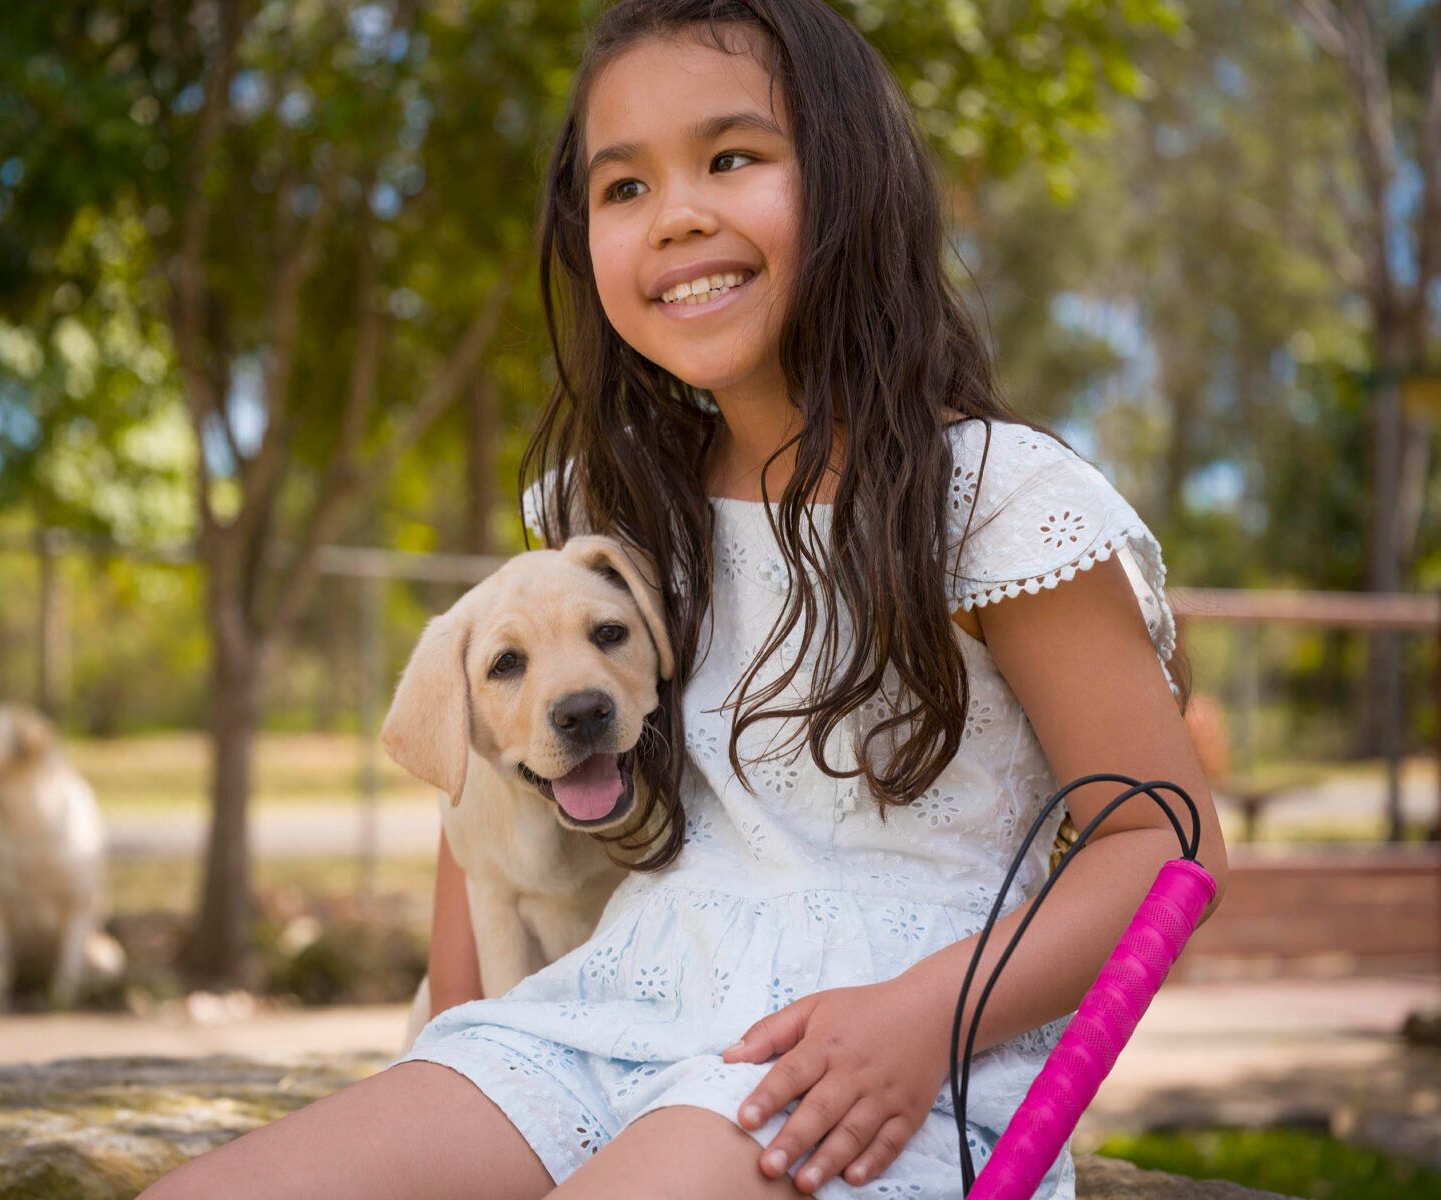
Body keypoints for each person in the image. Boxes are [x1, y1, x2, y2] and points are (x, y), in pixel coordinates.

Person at [140, 1, 1229, 1197]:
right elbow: (495, 776)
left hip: (858, 1056)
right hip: (607, 1009)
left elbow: (1164, 844)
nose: (678, 217)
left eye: (731, 158)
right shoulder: (614, 505)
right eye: (623, 188)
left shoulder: (992, 502)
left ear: (853, 178)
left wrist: (924, 1019)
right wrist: (450, 1038)